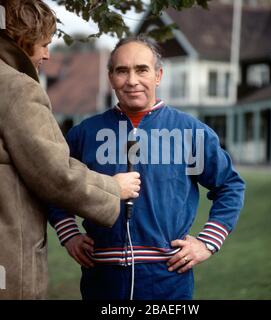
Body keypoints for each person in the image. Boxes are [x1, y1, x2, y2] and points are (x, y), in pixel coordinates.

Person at [48, 36, 245, 300]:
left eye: (142, 69)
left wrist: (208, 242)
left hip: (167, 280)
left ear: (158, 75)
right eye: (122, 71)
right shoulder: (86, 134)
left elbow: (229, 186)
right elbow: (55, 183)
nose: (132, 81)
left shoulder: (190, 132)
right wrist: (69, 233)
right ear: (110, 77)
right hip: (102, 280)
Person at [0, 0, 140, 300]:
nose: (48, 55)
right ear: (23, 38)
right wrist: (112, 188)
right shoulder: (16, 88)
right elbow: (56, 174)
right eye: (44, 44)